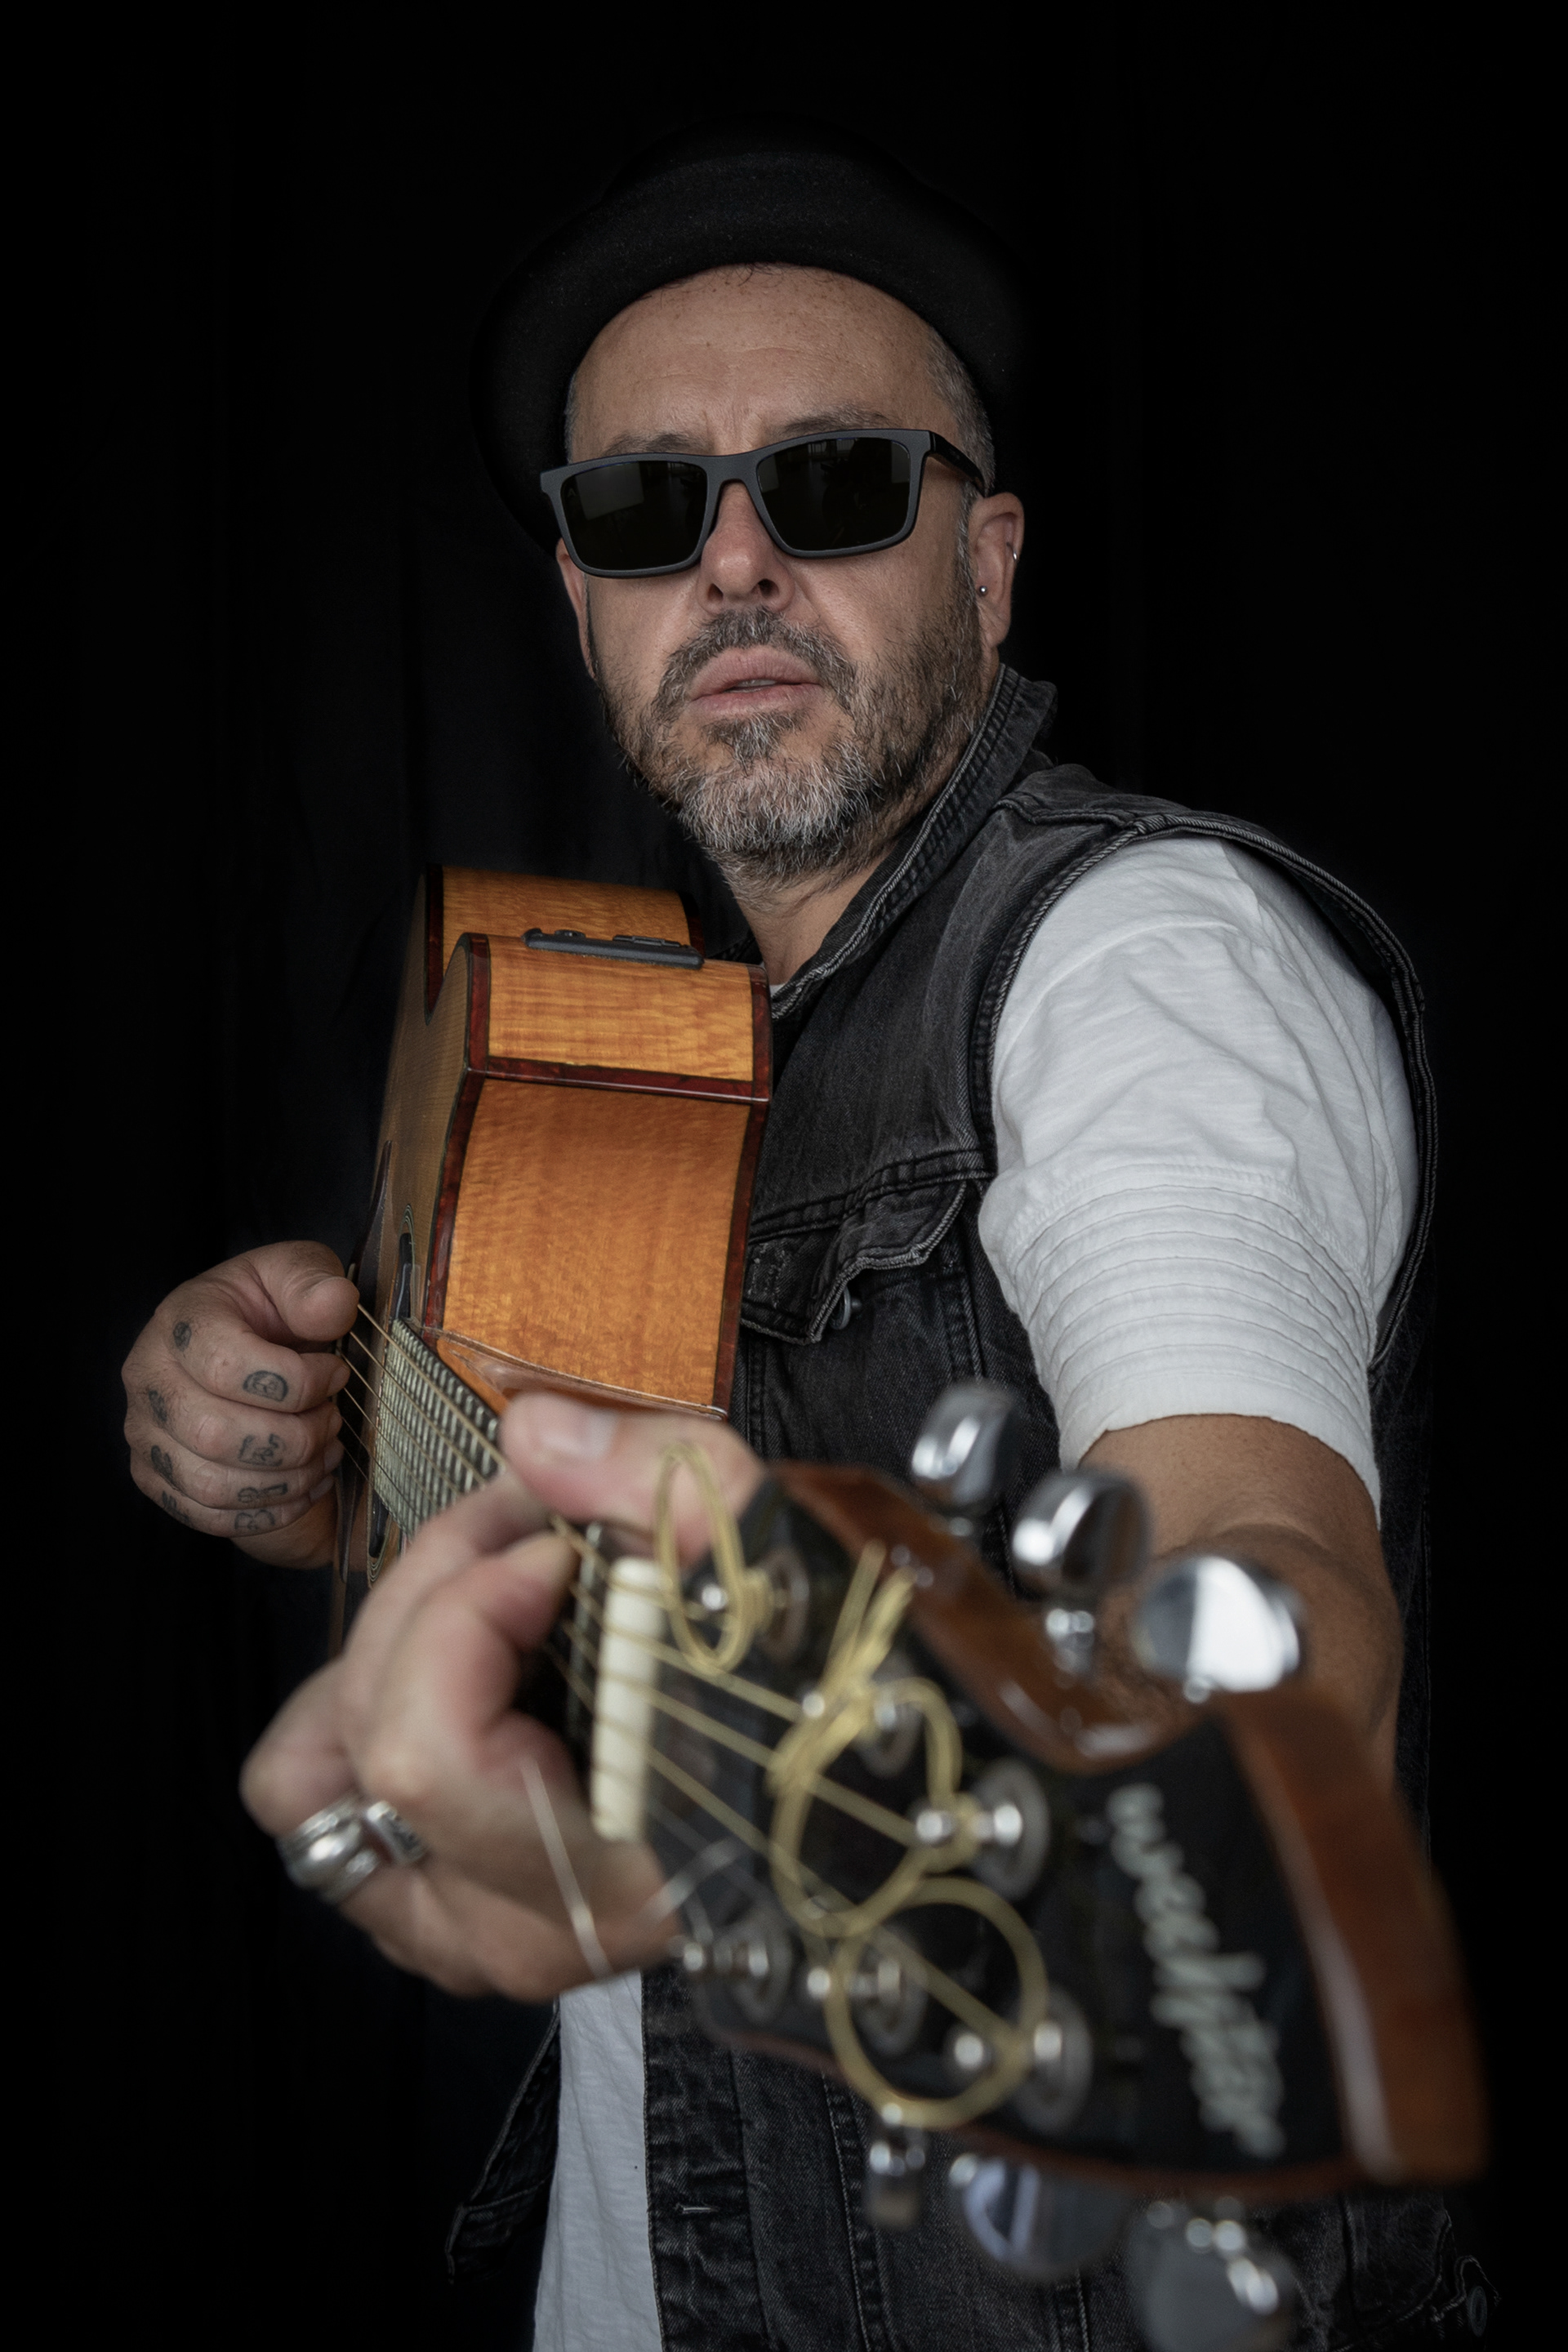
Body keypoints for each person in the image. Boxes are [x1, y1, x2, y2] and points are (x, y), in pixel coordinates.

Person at [123, 122, 1468, 2349]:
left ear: (991, 565)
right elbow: (595, 1521)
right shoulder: (648, 1041)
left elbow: (1265, 1623)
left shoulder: (1146, 966)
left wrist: (808, 1791)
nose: (734, 562)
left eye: (834, 486)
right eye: (647, 511)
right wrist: (315, 1446)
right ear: (584, 602)